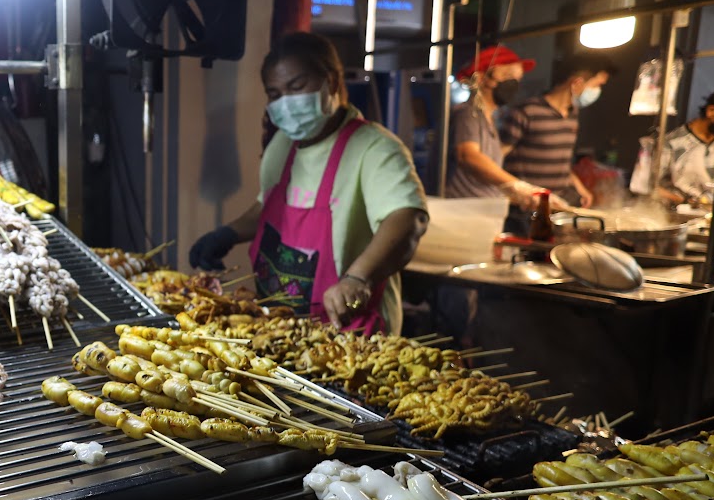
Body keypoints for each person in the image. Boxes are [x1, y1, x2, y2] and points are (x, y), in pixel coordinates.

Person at [188, 32, 428, 334]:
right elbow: (269, 207)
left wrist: (357, 278)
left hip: (349, 332)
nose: (286, 103)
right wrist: (228, 234)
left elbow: (407, 219)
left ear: (332, 81)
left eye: (297, 87)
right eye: (275, 94)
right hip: (280, 326)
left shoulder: (375, 148)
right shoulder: (283, 145)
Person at [499, 58, 613, 228]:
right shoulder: (526, 111)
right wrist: (517, 191)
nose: (597, 91)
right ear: (577, 83)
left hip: (558, 207)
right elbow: (497, 157)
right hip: (525, 211)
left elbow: (560, 159)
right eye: (597, 85)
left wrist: (579, 187)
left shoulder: (573, 114)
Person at [443, 44, 544, 209]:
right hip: (462, 212)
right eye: (508, 76)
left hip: (483, 211)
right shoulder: (468, 113)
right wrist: (518, 186)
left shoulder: (488, 119)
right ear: (481, 78)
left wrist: (516, 194)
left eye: (517, 79)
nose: (514, 84)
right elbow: (468, 155)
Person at [629, 87, 714, 205]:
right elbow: (644, 185)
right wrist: (686, 201)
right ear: (711, 111)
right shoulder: (671, 143)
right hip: (672, 210)